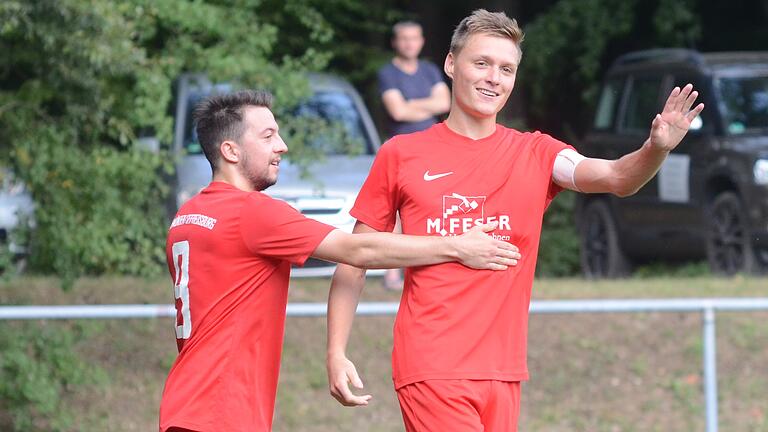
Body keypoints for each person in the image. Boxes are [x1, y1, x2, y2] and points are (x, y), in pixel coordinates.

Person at [326, 9, 704, 432]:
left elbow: (617, 177)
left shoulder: (536, 153)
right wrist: (336, 351)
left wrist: (656, 148)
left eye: (506, 69)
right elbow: (354, 257)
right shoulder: (401, 154)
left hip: (504, 370)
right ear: (451, 65)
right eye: (482, 63)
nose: (494, 77)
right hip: (433, 363)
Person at [158, 89, 521, 432]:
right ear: (231, 151)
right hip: (222, 410)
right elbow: (357, 250)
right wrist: (456, 246)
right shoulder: (251, 213)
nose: (281, 147)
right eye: (268, 136)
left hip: (186, 404)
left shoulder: (188, 216)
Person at [377, 20, 452, 289]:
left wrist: (411, 104)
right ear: (395, 42)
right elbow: (398, 112)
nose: (410, 43)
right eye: (404, 38)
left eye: (414, 38)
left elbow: (445, 103)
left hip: (432, 148)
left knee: (431, 205)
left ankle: (425, 265)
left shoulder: (430, 70)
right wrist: (426, 107)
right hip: (401, 147)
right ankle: (391, 273)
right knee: (395, 211)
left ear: (421, 41)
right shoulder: (388, 73)